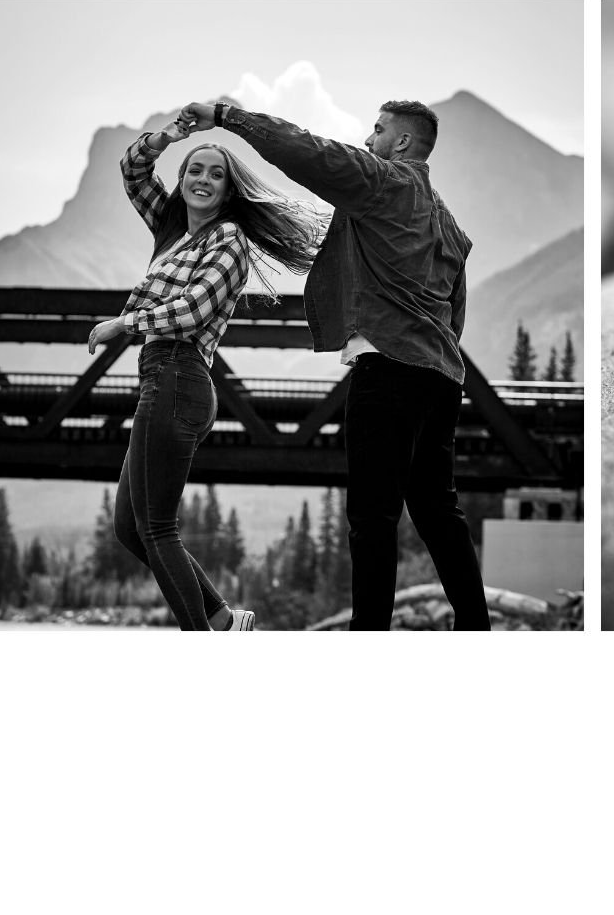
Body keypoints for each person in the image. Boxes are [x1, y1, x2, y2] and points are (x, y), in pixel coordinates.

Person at [179, 97, 489, 630]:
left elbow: (307, 151)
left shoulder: (384, 183)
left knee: (373, 518)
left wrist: (227, 117)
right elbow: (455, 313)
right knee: (439, 513)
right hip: (440, 381)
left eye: (378, 130)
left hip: (388, 372)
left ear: (403, 143)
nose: (369, 140)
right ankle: (476, 629)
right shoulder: (449, 223)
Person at [85, 118, 321, 630]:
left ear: (228, 188)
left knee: (157, 526)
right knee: (131, 528)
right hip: (161, 378)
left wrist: (124, 323)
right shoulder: (171, 227)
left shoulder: (229, 239)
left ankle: (203, 637)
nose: (202, 179)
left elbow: (194, 309)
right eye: (195, 169)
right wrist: (166, 138)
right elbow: (132, 171)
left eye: (216, 174)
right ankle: (221, 620)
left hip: (180, 376)